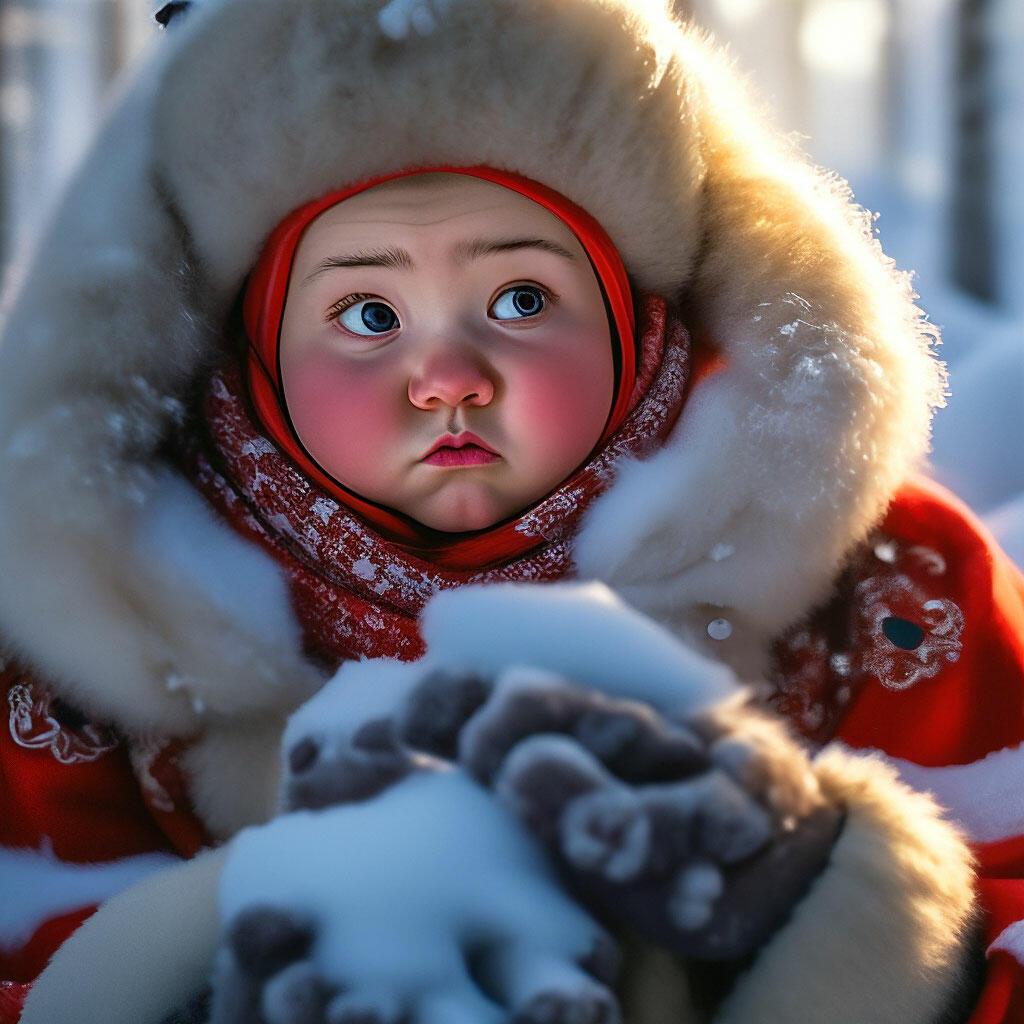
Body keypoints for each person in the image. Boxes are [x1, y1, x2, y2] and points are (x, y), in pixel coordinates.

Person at [0, 0, 1021, 1021]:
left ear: (633, 315)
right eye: (368, 314)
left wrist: (846, 914)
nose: (447, 376)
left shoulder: (882, 572)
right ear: (253, 355)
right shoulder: (89, 636)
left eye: (521, 300)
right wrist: (192, 960)